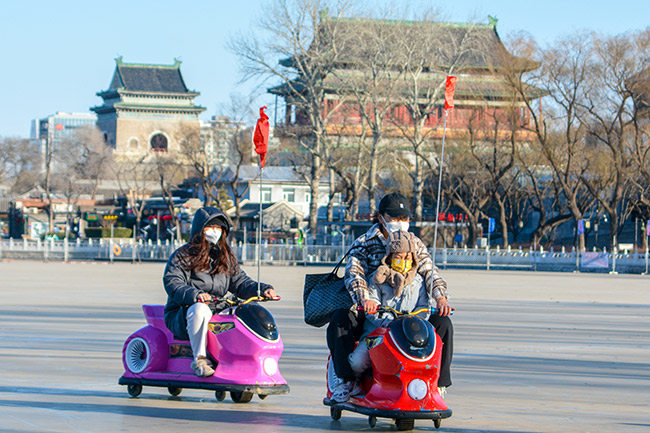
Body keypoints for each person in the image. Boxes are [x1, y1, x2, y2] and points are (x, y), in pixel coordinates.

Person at [327, 192, 453, 402]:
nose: (400, 223)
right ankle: (345, 380)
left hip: (408, 310)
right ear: (381, 217)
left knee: (443, 323)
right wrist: (364, 299)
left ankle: (438, 384)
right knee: (339, 320)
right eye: (394, 218)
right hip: (373, 311)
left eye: (404, 219)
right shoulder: (365, 242)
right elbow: (354, 273)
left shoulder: (414, 243)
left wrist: (440, 297)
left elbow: (429, 271)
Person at [163, 207, 277, 377]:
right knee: (200, 309)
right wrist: (195, 295)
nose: (214, 232)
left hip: (216, 307)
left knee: (244, 312)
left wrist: (263, 289)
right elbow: (173, 281)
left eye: (218, 228)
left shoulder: (225, 257)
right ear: (200, 229)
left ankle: (236, 359)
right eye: (210, 228)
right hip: (183, 312)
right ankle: (200, 360)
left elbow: (240, 282)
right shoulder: (183, 255)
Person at [347, 230, 430, 376]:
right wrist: (388, 321)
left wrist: (416, 322)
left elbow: (424, 307)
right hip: (379, 333)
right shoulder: (377, 279)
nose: (404, 261)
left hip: (408, 333)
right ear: (390, 257)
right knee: (357, 363)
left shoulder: (418, 281)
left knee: (425, 358)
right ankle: (355, 384)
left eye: (407, 257)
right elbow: (373, 306)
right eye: (399, 257)